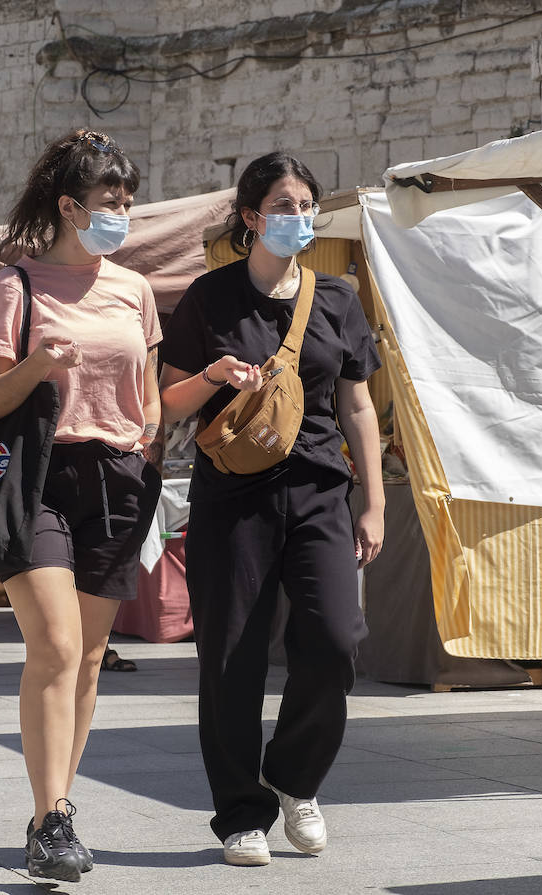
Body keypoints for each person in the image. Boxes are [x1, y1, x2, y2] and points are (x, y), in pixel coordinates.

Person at [157, 152, 386, 867]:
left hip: (319, 490)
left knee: (335, 636)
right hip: (232, 497)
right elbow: (167, 402)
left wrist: (373, 500)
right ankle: (240, 814)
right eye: (283, 206)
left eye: (305, 205)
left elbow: (358, 406)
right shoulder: (208, 298)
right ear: (252, 218)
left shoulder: (340, 299)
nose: (298, 217)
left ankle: (294, 777)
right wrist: (211, 376)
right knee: (231, 655)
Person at [0, 128, 161, 883]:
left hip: (117, 477)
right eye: (109, 197)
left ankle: (54, 811)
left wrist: (146, 439)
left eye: (127, 198)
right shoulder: (12, 287)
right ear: (68, 205)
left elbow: (144, 392)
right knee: (52, 644)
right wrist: (38, 365)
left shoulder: (135, 289)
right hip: (39, 477)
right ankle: (52, 818)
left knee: (86, 660)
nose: (121, 209)